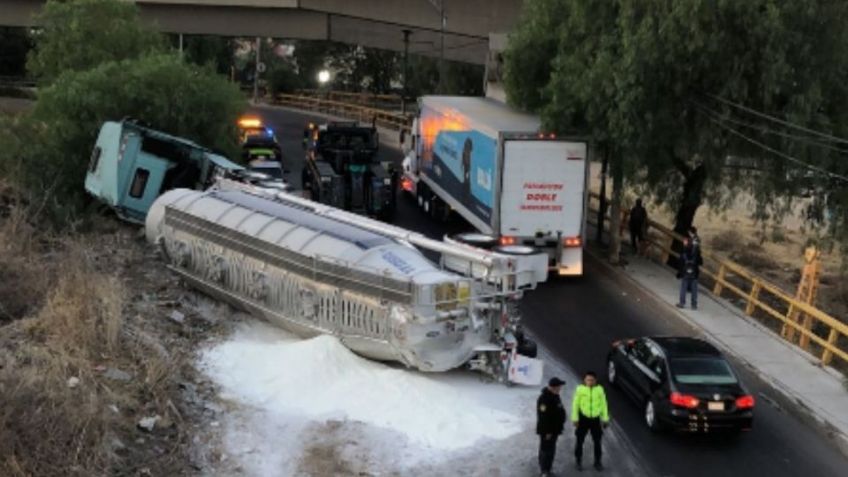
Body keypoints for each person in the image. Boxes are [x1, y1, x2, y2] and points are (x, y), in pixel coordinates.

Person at [571, 371, 609, 471]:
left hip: (595, 420)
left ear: (595, 380)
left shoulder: (600, 390)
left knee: (597, 442)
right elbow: (575, 404)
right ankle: (578, 461)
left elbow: (604, 405)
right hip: (583, 419)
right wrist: (575, 418)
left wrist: (605, 419)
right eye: (588, 380)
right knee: (579, 441)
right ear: (584, 380)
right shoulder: (580, 389)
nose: (590, 382)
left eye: (592, 380)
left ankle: (597, 462)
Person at [537, 377, 567, 477]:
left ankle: (548, 470)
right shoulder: (544, 399)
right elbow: (543, 418)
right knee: (545, 450)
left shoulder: (555, 396)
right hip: (547, 432)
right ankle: (544, 472)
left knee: (551, 450)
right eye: (559, 387)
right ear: (553, 387)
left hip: (554, 430)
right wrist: (548, 432)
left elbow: (559, 411)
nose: (560, 388)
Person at [677, 226, 703, 310]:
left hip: (687, 266)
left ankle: (682, 302)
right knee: (694, 286)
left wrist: (685, 246)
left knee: (684, 284)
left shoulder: (689, 242)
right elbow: (698, 256)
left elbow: (686, 254)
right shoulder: (697, 242)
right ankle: (694, 304)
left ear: (690, 232)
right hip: (695, 267)